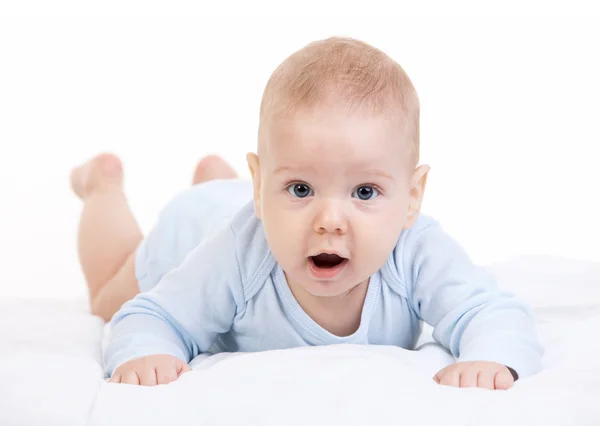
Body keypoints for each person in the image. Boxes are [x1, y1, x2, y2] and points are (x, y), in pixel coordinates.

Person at [71, 37, 543, 390]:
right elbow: (150, 316)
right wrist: (148, 351)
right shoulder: (236, 256)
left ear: (412, 197)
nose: (330, 220)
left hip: (239, 198)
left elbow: (490, 311)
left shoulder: (416, 249)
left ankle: (219, 177)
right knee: (106, 299)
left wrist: (492, 357)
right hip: (194, 229)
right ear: (262, 189)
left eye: (364, 191)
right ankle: (102, 187)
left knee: (223, 190)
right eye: (302, 188)